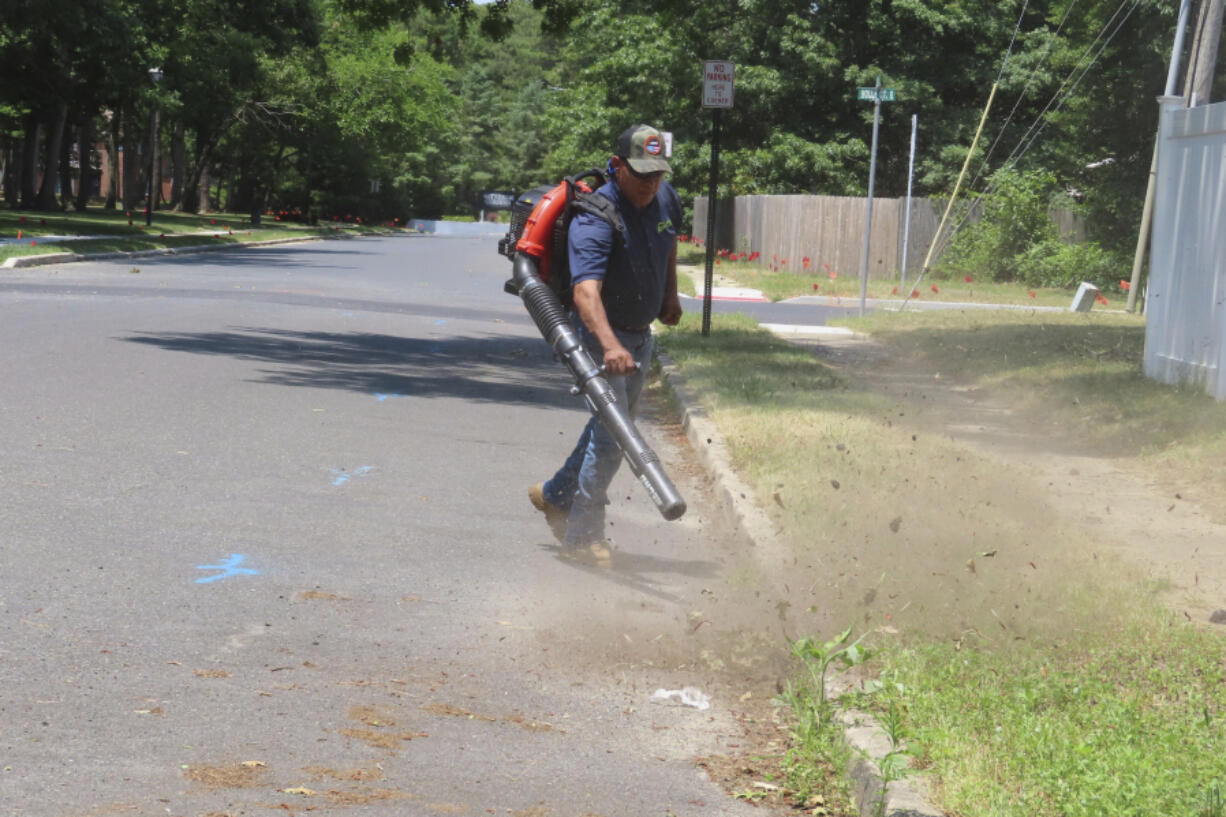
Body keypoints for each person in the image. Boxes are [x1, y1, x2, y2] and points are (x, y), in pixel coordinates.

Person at [529, 124, 683, 565]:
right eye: (641, 175)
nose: (651, 185)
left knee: (610, 427)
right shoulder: (596, 217)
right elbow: (585, 293)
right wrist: (612, 346)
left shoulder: (666, 197)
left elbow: (669, 243)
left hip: (639, 332)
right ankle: (582, 536)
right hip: (599, 335)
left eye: (657, 174)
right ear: (618, 168)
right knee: (616, 436)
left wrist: (669, 296)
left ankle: (557, 493)